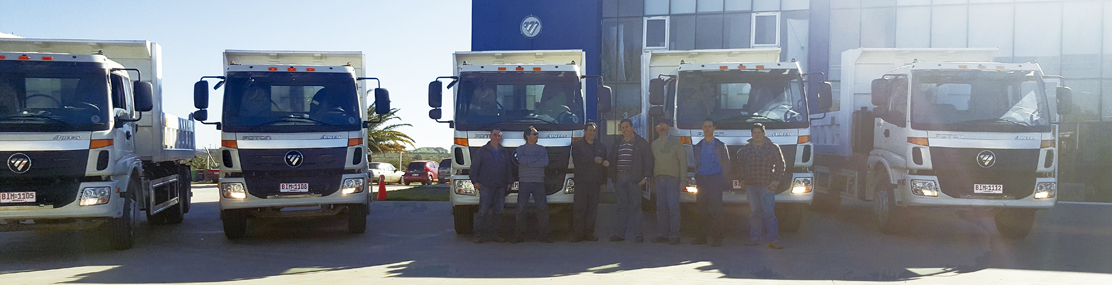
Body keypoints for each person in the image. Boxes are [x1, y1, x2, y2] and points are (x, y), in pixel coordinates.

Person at [736, 123, 786, 249]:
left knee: (769, 213)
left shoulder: (773, 148)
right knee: (754, 212)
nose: (757, 135)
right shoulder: (745, 149)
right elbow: (739, 165)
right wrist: (742, 179)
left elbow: (781, 165)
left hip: (766, 186)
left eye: (759, 133)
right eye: (754, 133)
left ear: (764, 134)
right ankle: (755, 238)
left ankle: (773, 240)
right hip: (751, 186)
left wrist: (776, 181)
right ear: (751, 134)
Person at [608, 119, 653, 242]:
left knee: (636, 207)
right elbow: (612, 159)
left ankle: (638, 235)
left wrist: (645, 178)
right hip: (620, 178)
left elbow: (648, 161)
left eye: (627, 127)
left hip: (634, 179)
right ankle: (621, 234)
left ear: (632, 127)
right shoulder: (618, 143)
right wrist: (612, 176)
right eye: (622, 128)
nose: (625, 130)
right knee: (621, 207)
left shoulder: (641, 143)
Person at [469, 128, 514, 243]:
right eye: (495, 135)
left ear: (501, 137)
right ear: (490, 136)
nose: (497, 137)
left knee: (498, 211)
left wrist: (509, 182)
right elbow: (474, 168)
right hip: (486, 185)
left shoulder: (504, 152)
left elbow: (508, 168)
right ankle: (479, 235)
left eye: (499, 135)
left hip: (500, 186)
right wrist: (475, 182)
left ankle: (496, 235)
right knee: (483, 210)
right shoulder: (482, 151)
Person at [691, 119, 731, 247]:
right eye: (705, 126)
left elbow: (726, 164)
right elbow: (696, 163)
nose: (707, 129)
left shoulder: (720, 145)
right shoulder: (698, 146)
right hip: (702, 180)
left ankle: (717, 238)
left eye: (710, 126)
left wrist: (722, 179)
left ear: (714, 128)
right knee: (701, 210)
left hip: (715, 180)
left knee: (716, 210)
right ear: (702, 128)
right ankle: (701, 238)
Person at [650, 119, 686, 245]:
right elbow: (652, 163)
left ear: (669, 127)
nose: (661, 128)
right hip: (659, 179)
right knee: (660, 208)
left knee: (674, 208)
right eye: (659, 126)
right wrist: (652, 180)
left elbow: (682, 162)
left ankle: (675, 235)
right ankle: (662, 234)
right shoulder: (654, 144)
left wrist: (683, 180)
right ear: (656, 128)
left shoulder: (677, 142)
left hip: (673, 179)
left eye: (664, 125)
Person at [570, 122, 607, 242]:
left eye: (594, 131)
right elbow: (577, 161)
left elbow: (604, 166)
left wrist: (604, 182)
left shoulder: (601, 146)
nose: (592, 133)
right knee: (579, 209)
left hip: (595, 182)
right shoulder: (577, 146)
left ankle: (589, 234)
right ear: (584, 132)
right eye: (590, 130)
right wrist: (593, 160)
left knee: (592, 210)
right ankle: (577, 235)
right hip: (581, 182)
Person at [514, 126, 550, 243]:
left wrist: (529, 161)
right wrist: (535, 161)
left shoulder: (542, 149)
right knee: (521, 208)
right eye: (534, 134)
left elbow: (545, 162)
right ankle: (519, 235)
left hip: (539, 181)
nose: (536, 136)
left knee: (542, 208)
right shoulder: (520, 149)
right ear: (527, 136)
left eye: (537, 134)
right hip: (524, 181)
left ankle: (544, 235)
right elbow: (521, 161)